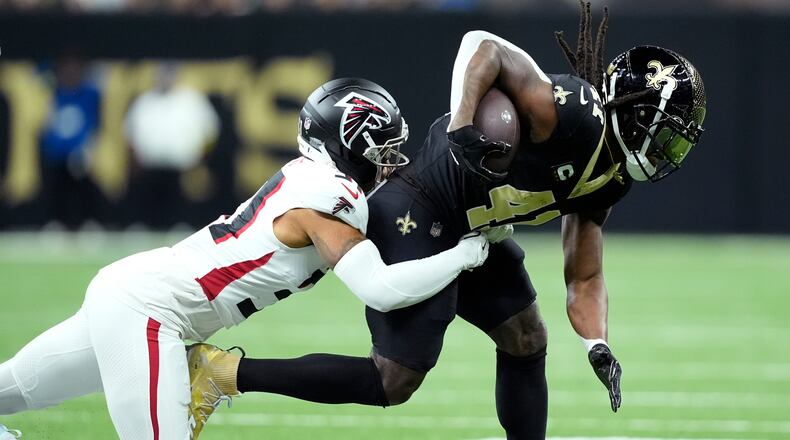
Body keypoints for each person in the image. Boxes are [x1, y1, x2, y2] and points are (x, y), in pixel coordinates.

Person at [187, 3, 707, 439]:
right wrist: (462, 123)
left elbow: (585, 275)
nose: (670, 150)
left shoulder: (613, 175)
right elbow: (483, 43)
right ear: (636, 113)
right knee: (393, 380)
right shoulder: (568, 114)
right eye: (669, 134)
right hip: (422, 203)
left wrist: (597, 343)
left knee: (527, 339)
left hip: (475, 230)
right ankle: (224, 373)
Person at [0, 78, 494, 440]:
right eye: (382, 150)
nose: (391, 162)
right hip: (150, 312)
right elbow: (379, 288)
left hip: (139, 294)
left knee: (12, 390)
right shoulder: (329, 196)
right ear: (350, 147)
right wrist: (463, 255)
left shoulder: (312, 176)